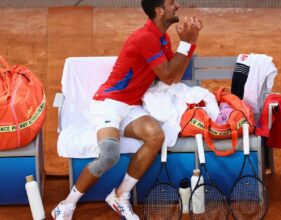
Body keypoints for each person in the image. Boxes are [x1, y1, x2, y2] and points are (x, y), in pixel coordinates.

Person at [51, 0, 203, 219]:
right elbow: (169, 74)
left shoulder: (162, 38)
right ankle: (66, 204)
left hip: (131, 105)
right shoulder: (145, 38)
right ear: (159, 11)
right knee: (109, 155)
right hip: (109, 104)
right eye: (171, 3)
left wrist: (190, 42)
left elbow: (172, 76)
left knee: (155, 136)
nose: (177, 5)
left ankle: (120, 195)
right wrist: (187, 43)